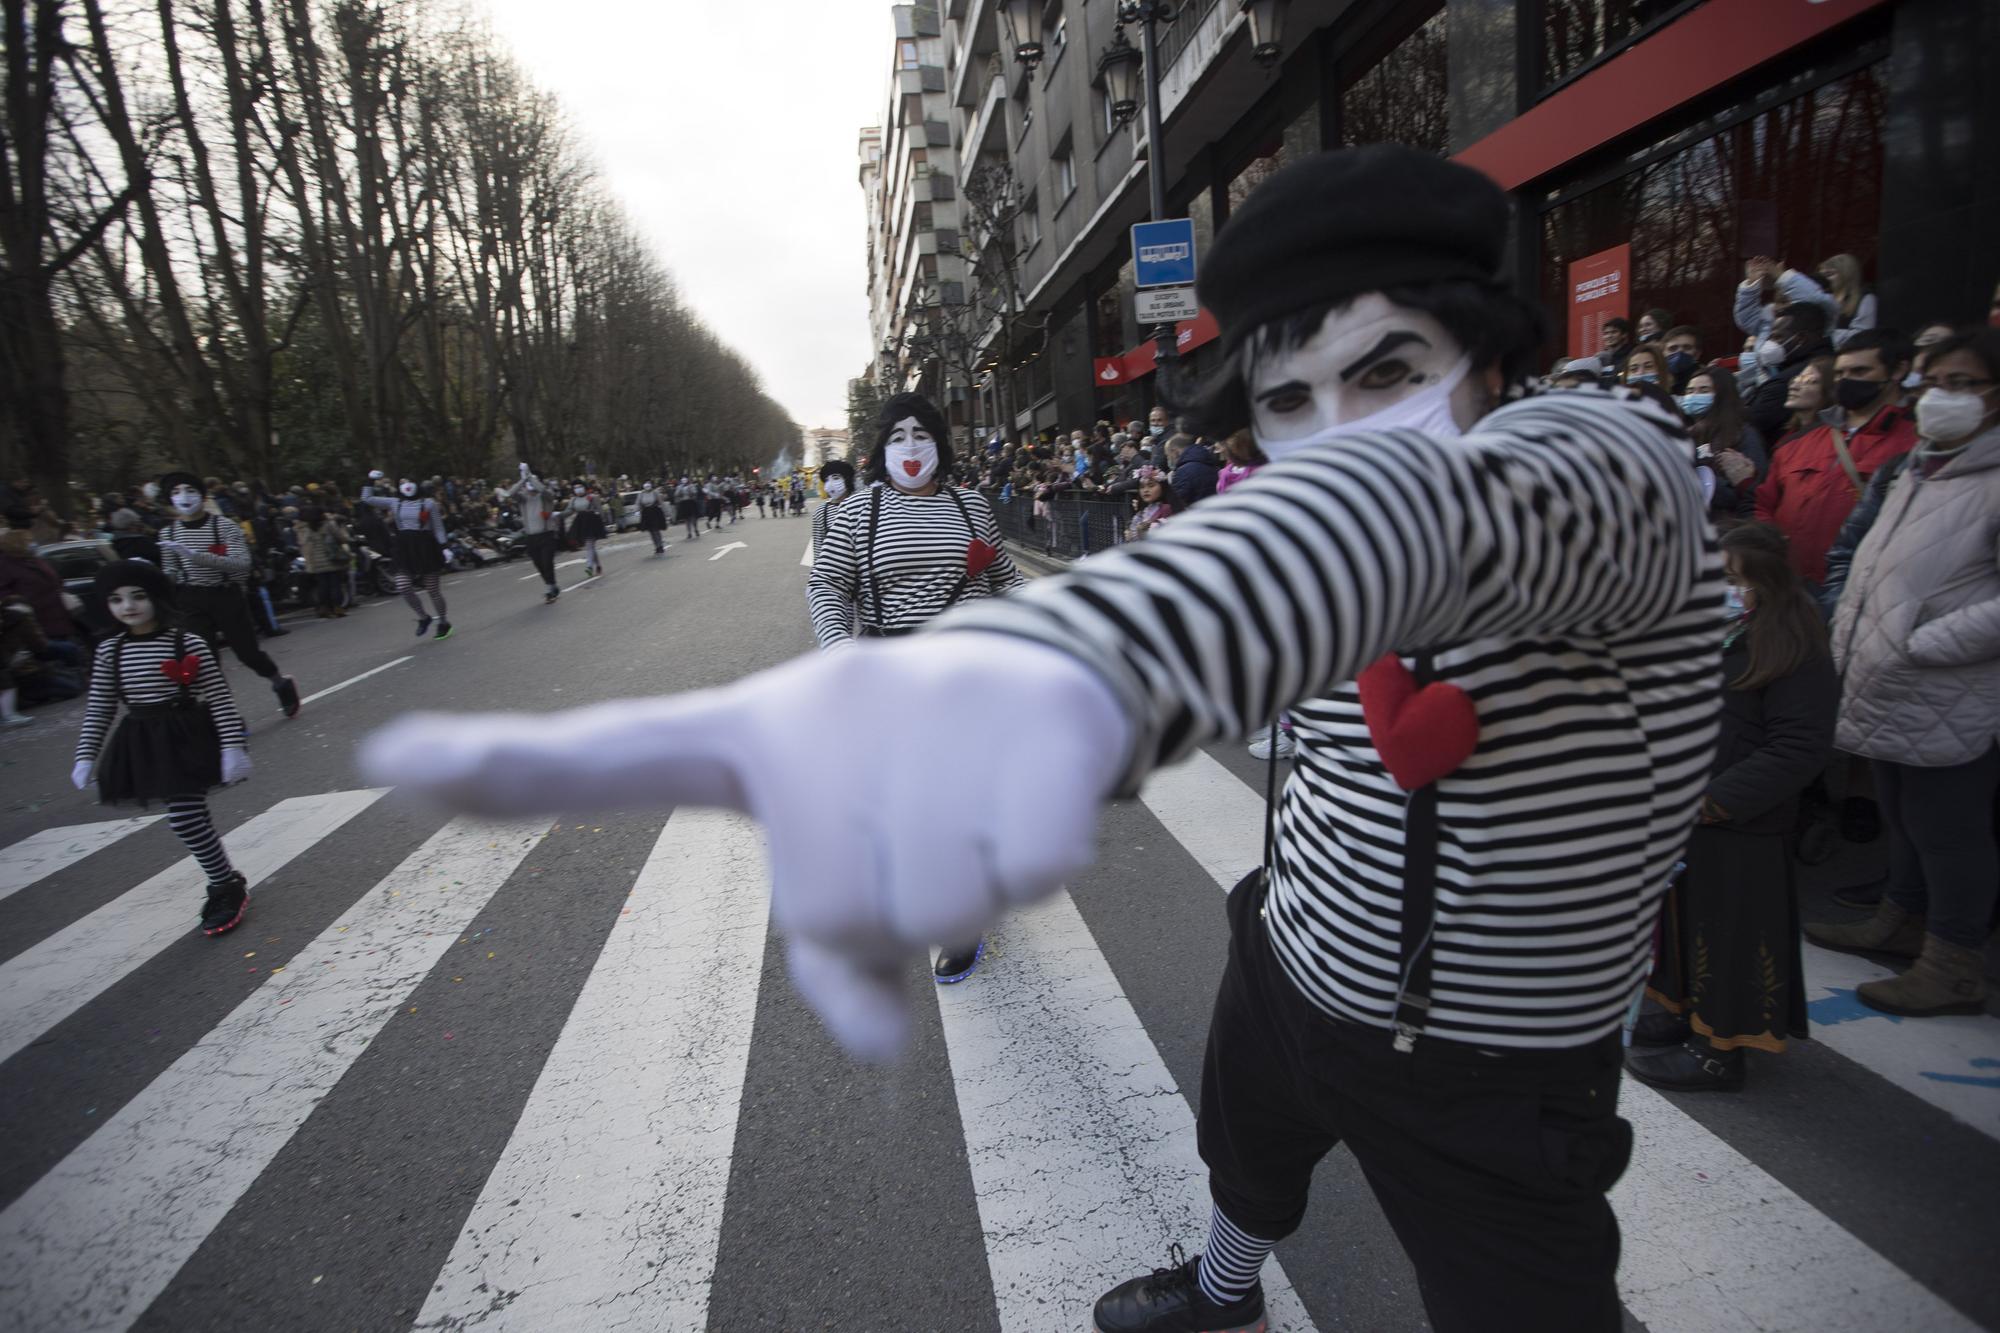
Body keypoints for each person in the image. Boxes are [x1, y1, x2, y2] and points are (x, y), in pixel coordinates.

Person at [366, 146, 1722, 1333]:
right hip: (1297, 950)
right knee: (1244, 1155)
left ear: (1494, 359)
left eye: (1388, 370)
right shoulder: (1302, 518)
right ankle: (1226, 1282)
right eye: (1287, 402)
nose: (1338, 432)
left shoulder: (1613, 471)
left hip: (1488, 1053)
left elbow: (1401, 522)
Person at [1805, 329, 2000, 1017]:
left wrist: (1924, 640)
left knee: (1949, 829)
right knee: (1904, 816)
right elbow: (1856, 554)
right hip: (1890, 678)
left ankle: (1954, 964)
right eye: (1928, 381)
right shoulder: (1911, 468)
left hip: (1954, 684)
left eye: (1960, 383)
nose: (1937, 397)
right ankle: (1902, 920)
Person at [806, 392, 1026, 985]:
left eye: (921, 435)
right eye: (897, 437)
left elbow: (1006, 580)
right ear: (880, 449)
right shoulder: (855, 513)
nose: (910, 448)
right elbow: (827, 588)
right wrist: (839, 645)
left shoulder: (972, 506)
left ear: (940, 443)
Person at [1628, 524, 1834, 1091]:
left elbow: (1797, 747)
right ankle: (1679, 1011)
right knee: (1683, 926)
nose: (1718, 587)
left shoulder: (1792, 644)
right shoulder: (1717, 629)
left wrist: (1713, 801)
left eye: (1730, 579)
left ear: (1764, 585)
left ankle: (1718, 1051)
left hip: (1739, 821)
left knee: (1732, 936)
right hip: (1684, 812)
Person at [73, 560, 253, 936]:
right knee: (190, 816)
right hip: (142, 740)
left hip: (187, 735)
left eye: (138, 596)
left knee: (185, 817)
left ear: (157, 597)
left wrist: (232, 747)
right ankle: (226, 879)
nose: (128, 606)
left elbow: (219, 698)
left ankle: (224, 885)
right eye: (116, 599)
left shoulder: (186, 642)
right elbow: (101, 706)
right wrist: (85, 754)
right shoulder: (110, 651)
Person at [1752, 330, 1918, 591]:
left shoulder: (1916, 444)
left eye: (1860, 371)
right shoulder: (1797, 442)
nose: (1847, 381)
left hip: (1858, 592)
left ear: (1898, 371)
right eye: (1840, 374)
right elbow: (1763, 503)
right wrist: (1771, 546)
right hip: (1787, 587)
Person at [155, 472, 301, 715]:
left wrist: (196, 557)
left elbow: (241, 564)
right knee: (205, 660)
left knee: (248, 653)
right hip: (190, 599)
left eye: (190, 490)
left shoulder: (223, 526)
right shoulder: (168, 534)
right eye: (175, 492)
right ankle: (226, 714)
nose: (184, 497)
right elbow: (169, 570)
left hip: (225, 595)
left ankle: (280, 682)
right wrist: (156, 575)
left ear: (202, 495)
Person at [360, 472, 453, 639]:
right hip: (404, 547)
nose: (407, 485)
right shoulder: (395, 502)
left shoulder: (428, 503)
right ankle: (423, 617)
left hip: (425, 547)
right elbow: (367, 499)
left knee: (432, 589)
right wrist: (370, 480)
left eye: (409, 482)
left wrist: (444, 547)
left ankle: (443, 622)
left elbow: (438, 527)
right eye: (403, 482)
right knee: (402, 585)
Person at [1681, 366, 1767, 520]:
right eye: (1689, 391)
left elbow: (1754, 491)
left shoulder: (1744, 435)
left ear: (1723, 395)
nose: (1694, 396)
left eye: (1704, 390)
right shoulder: (1684, 436)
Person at [1741, 301, 1835, 442]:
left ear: (1801, 339)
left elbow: (1752, 422)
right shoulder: (1829, 360)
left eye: (1777, 337)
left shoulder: (1783, 382)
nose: (1770, 344)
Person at [1734, 255, 1841, 343]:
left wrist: (1781, 276)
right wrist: (1751, 284)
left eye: (1785, 302)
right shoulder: (1770, 320)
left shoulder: (1822, 316)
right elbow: (1747, 317)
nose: (1779, 308)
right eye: (1778, 301)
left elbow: (1814, 300)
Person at [508, 465, 563, 604]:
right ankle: (552, 585)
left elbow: (544, 490)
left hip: (546, 534)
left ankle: (550, 589)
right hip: (531, 537)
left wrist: (531, 478)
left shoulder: (545, 496)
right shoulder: (523, 499)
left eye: (533, 481)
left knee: (547, 562)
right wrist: (523, 479)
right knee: (539, 564)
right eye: (529, 482)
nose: (530, 484)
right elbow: (510, 493)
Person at [293, 505, 351, 619]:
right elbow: (341, 538)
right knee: (335, 585)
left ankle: (324, 608)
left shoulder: (304, 528)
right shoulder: (328, 525)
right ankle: (337, 607)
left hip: (315, 562)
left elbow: (301, 543)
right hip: (332, 559)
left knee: (322, 586)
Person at [1817, 254, 1877, 347]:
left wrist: (1828, 336)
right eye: (1823, 275)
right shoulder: (1825, 296)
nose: (1825, 279)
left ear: (1846, 274)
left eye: (1829, 274)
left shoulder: (1865, 298)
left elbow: (1863, 333)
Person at [811, 459, 857, 563]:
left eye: (836, 478)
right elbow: (818, 548)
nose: (831, 484)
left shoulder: (863, 505)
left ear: (847, 479)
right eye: (827, 480)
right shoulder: (821, 512)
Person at [1125, 468, 1176, 541]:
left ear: (1162, 487)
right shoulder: (1143, 511)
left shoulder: (1166, 509)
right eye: (1142, 487)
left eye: (1151, 485)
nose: (1145, 490)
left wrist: (1143, 532)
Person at [1662, 325, 1704, 392]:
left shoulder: (1707, 382)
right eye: (1673, 348)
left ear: (1697, 354)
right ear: (1663, 353)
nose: (1679, 352)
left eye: (1687, 347)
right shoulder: (1657, 383)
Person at [638, 481, 669, 555]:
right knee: (651, 531)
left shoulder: (655, 492)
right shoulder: (641, 494)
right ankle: (656, 546)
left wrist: (666, 512)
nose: (647, 486)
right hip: (646, 513)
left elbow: (661, 502)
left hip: (655, 512)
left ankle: (660, 546)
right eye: (645, 484)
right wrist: (638, 510)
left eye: (648, 484)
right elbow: (638, 503)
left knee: (656, 530)